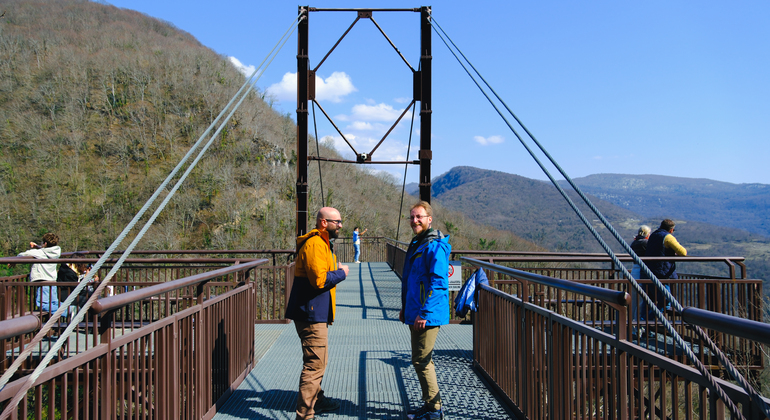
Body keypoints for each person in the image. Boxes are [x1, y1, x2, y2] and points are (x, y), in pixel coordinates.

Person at [285, 207, 350, 420]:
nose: (340, 225)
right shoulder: (315, 244)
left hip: (312, 311)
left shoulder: (321, 243)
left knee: (316, 360)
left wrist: (334, 269)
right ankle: (305, 415)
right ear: (324, 222)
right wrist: (341, 273)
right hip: (311, 314)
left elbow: (319, 272)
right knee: (314, 365)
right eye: (337, 221)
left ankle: (317, 400)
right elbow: (320, 281)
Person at [400, 201, 451, 420]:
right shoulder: (418, 242)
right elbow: (412, 280)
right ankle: (430, 406)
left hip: (426, 313)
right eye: (412, 217)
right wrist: (405, 309)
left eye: (419, 217)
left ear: (429, 219)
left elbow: (438, 283)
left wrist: (425, 313)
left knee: (422, 360)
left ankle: (433, 410)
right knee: (419, 359)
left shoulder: (433, 246)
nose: (414, 221)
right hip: (417, 310)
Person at [640, 219, 687, 319]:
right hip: (661, 274)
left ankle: (642, 326)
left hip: (647, 272)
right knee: (665, 302)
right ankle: (645, 323)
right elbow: (683, 252)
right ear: (671, 230)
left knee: (648, 302)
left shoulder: (653, 235)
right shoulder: (668, 237)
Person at [17, 233, 61, 313]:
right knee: (55, 303)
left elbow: (22, 255)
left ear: (45, 243)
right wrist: (37, 246)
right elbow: (47, 250)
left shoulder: (39, 253)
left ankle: (69, 310)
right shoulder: (56, 252)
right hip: (53, 281)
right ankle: (72, 309)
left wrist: (14, 260)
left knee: (42, 304)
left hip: (43, 282)